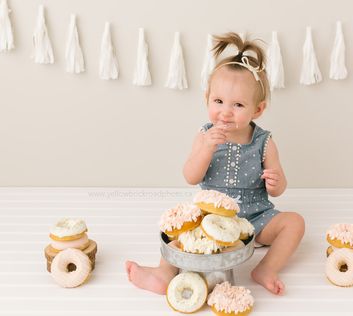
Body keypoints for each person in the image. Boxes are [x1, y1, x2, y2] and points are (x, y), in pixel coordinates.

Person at [126, 32, 305, 296]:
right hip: (210, 217)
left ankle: (266, 268)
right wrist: (206, 150)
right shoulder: (204, 135)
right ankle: (164, 273)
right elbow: (190, 175)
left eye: (238, 105)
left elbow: (278, 189)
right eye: (218, 101)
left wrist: (276, 181)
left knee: (295, 223)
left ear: (258, 109)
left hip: (255, 218)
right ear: (207, 99)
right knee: (177, 226)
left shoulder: (264, 142)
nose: (226, 111)